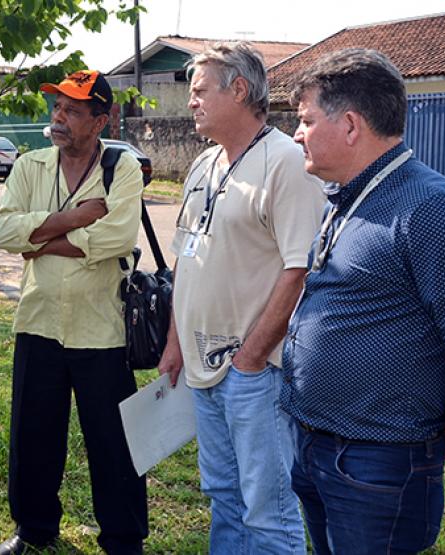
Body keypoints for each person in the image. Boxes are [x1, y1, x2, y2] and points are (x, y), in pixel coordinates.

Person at [282, 48, 445, 554]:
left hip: (377, 460)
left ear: (349, 125)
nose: (297, 134)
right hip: (319, 442)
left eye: (305, 121)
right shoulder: (349, 194)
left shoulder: (431, 209)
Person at [157, 43, 325, 553]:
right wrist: (174, 342)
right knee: (223, 497)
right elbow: (186, 259)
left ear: (239, 89)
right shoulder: (205, 163)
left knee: (267, 512)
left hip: (254, 374)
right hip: (203, 368)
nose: (191, 102)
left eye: (200, 90)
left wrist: (252, 358)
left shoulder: (287, 163)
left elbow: (300, 268)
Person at [0, 70, 148, 555]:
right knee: (33, 433)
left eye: (73, 110)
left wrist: (43, 242)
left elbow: (118, 236)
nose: (59, 118)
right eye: (58, 107)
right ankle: (32, 529)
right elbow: (4, 232)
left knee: (113, 442)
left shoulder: (121, 167)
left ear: (101, 120)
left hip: (101, 328)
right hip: (38, 321)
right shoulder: (30, 166)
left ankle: (124, 540)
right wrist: (75, 219)